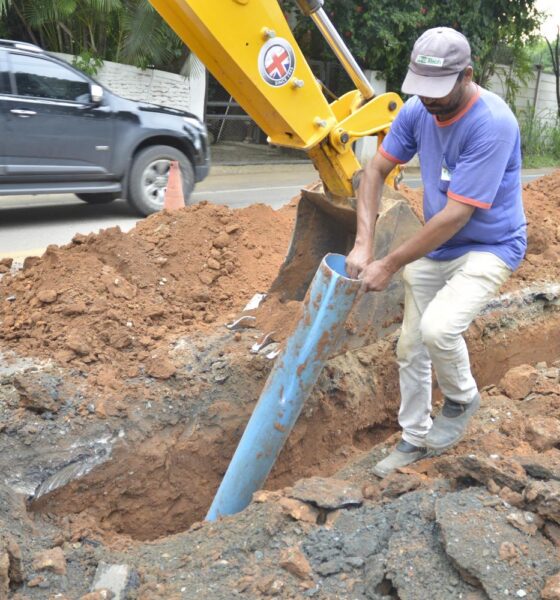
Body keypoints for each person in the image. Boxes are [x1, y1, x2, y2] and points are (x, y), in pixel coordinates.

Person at [346, 27, 526, 478]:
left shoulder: (493, 124)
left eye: (439, 91)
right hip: (439, 245)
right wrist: (363, 242)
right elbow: (375, 171)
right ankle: (413, 438)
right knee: (410, 345)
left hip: (490, 245)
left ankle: (462, 397)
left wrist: (388, 262)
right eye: (421, 90)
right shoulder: (416, 111)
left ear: (468, 75)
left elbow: (454, 217)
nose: (429, 100)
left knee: (439, 328)